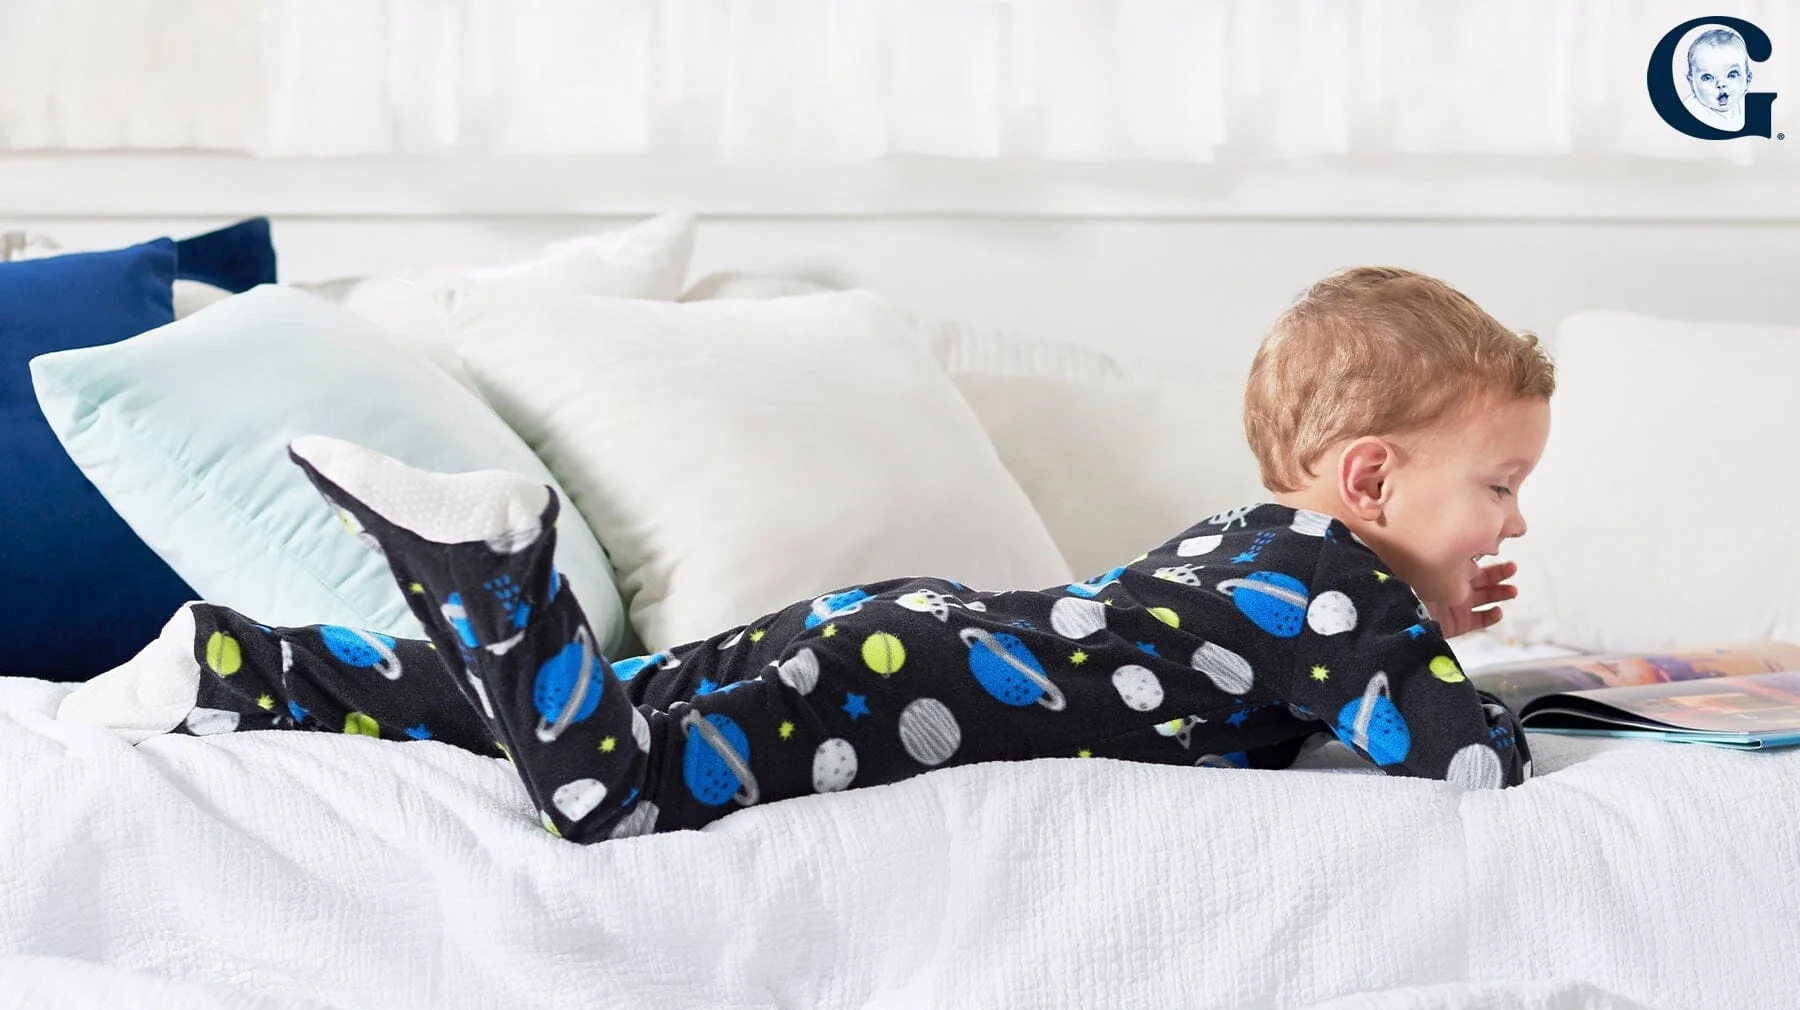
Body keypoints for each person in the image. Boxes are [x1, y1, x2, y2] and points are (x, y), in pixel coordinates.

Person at [63, 266, 1552, 842]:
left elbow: (1276, 695)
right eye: (1497, 484)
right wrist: (1454, 660)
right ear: (1370, 477)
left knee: (618, 704)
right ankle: (487, 580)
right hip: (914, 679)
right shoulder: (1352, 595)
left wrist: (1414, 610)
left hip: (894, 635)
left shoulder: (1250, 541)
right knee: (615, 797)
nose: (1514, 522)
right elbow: (1467, 770)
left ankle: (249, 665)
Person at [1685, 26, 1751, 131]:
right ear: (1692, 83)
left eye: (1732, 74)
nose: (1721, 84)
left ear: (1747, 80)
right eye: (1707, 77)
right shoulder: (1691, 113)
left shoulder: (1748, 106)